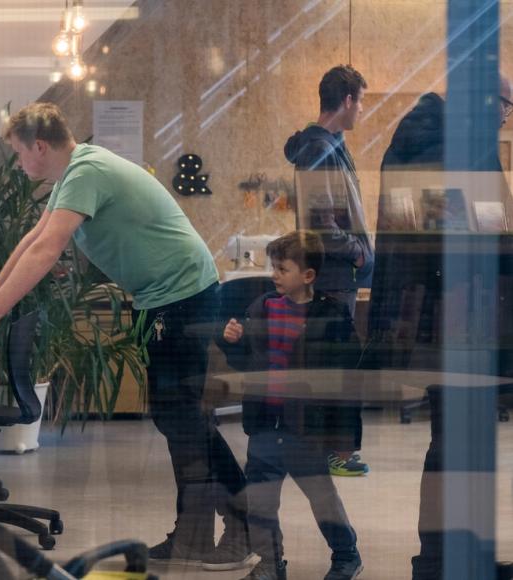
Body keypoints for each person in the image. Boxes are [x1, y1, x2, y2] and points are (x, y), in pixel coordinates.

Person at [0, 102, 254, 569]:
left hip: (182, 294)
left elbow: (47, 250)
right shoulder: (75, 172)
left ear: (39, 146)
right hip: (166, 296)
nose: (19, 164)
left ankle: (245, 525)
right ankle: (194, 533)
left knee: (183, 418)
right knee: (177, 418)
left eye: (19, 154)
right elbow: (33, 239)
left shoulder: (86, 171)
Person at [377, 77, 513, 580]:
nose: (505, 120)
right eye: (506, 109)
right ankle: (440, 562)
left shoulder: (408, 139)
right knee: (457, 442)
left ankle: (446, 558)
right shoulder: (465, 145)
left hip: (425, 314)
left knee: (453, 438)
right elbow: (490, 237)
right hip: (464, 315)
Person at [219, 231, 363, 580]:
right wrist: (233, 342)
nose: (274, 275)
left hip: (305, 430)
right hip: (265, 424)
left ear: (308, 275)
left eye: (282, 269)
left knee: (322, 497)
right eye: (274, 267)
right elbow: (246, 363)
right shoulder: (262, 308)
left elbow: (347, 385)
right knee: (261, 502)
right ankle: (271, 563)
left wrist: (346, 440)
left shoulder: (333, 317)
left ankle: (346, 555)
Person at [284, 64, 374, 477]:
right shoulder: (318, 150)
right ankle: (334, 453)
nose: (362, 110)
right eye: (361, 101)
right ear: (347, 100)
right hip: (334, 277)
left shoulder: (328, 144)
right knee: (335, 369)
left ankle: (327, 451)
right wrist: (358, 253)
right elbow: (323, 223)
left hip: (337, 276)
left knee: (332, 365)